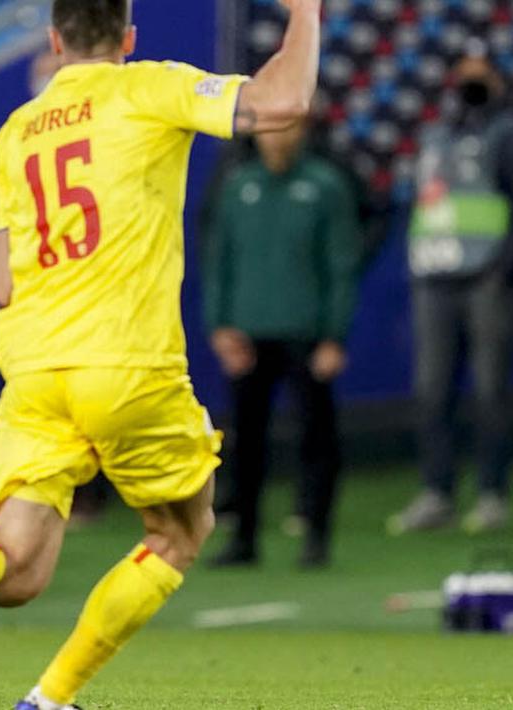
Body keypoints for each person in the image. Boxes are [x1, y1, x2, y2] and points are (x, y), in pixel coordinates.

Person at [0, 0, 321, 707]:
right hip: (124, 364)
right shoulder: (147, 86)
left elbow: (0, 279)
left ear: (54, 40)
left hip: (32, 372)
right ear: (128, 36)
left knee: (15, 569)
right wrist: (303, 15)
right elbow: (283, 100)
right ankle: (48, 699)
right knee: (178, 533)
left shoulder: (16, 131)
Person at [202, 118, 362, 568]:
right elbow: (219, 260)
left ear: (302, 132)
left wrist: (335, 335)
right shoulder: (238, 186)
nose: (278, 137)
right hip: (249, 332)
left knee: (316, 437)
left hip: (306, 333)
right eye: (271, 128)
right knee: (245, 440)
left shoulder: (325, 186)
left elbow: (340, 265)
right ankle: (243, 537)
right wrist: (221, 325)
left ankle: (316, 535)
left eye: (287, 127)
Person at [388, 48, 513, 535]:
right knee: (432, 390)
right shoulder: (435, 135)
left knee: (488, 391)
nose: (471, 84)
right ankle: (437, 492)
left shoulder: (505, 133)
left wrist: (504, 267)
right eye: (464, 75)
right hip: (435, 275)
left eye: (480, 76)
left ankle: (490, 493)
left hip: (488, 277)